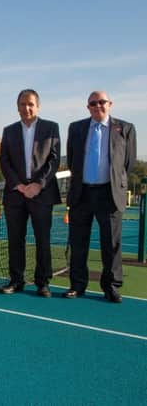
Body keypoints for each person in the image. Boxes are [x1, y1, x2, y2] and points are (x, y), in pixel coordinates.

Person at [64, 91, 136, 302]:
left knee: (111, 244)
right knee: (78, 243)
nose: (97, 106)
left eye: (101, 102)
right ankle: (77, 285)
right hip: (82, 193)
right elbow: (72, 160)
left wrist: (113, 182)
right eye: (93, 103)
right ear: (88, 107)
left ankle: (111, 286)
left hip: (109, 194)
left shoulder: (126, 128)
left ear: (110, 104)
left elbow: (128, 163)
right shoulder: (76, 128)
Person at [0, 89, 61, 297]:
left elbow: (54, 161)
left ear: (38, 106)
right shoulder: (8, 131)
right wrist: (19, 185)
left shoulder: (51, 128)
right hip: (15, 194)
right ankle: (16, 280)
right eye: (23, 104)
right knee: (15, 239)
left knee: (42, 239)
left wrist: (38, 185)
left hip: (42, 194)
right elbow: (4, 161)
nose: (27, 108)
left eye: (31, 104)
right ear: (17, 107)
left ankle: (43, 282)